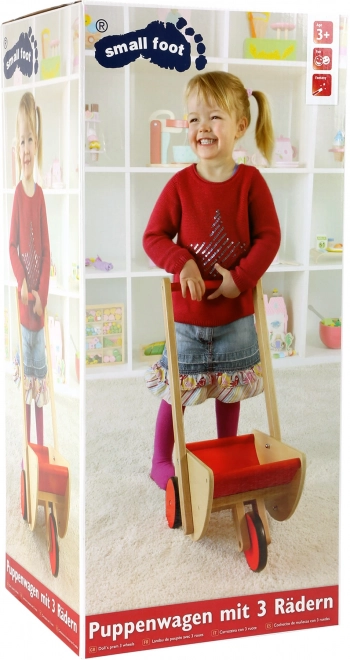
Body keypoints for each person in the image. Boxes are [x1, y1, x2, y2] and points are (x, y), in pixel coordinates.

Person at [143, 71, 281, 490]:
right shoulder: (181, 185)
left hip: (235, 315)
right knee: (176, 393)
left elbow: (269, 237)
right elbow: (153, 237)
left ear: (240, 125)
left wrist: (240, 279)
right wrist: (181, 263)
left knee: (230, 389)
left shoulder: (251, 183)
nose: (203, 127)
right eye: (193, 119)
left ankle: (227, 452)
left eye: (214, 117)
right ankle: (159, 460)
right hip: (187, 318)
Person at [9, 92, 50, 445]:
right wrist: (23, 284)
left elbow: (47, 252)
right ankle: (27, 447)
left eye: (30, 139)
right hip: (23, 308)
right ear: (15, 146)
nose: (26, 147)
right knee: (26, 384)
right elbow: (11, 247)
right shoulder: (18, 197)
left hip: (39, 308)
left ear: (38, 143)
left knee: (40, 379)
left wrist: (43, 297)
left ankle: (40, 443)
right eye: (20, 140)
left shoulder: (39, 196)